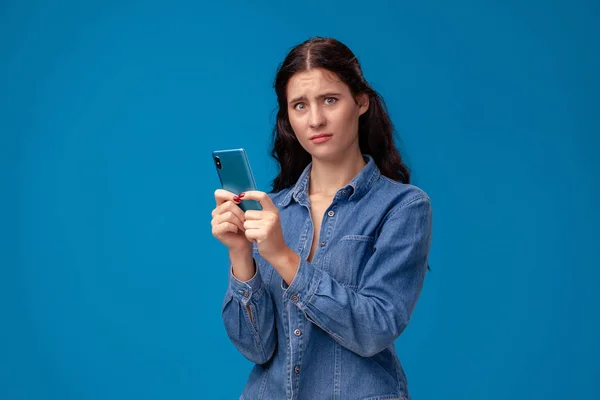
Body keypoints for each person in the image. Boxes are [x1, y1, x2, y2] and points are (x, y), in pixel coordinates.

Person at [211, 37, 432, 400]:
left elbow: (374, 329)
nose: (315, 120)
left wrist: (282, 256)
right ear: (288, 117)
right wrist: (241, 256)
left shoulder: (403, 207)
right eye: (299, 105)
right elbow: (256, 349)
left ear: (360, 101)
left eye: (330, 99)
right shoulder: (273, 210)